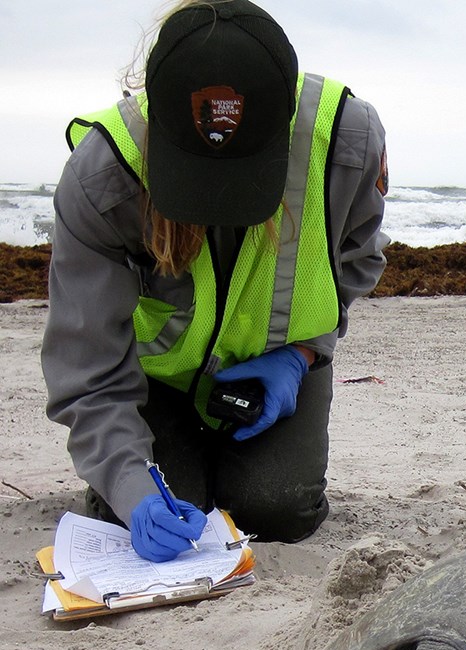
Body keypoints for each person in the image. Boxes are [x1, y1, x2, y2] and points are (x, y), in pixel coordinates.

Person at [41, 0, 388, 561]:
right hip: (152, 385)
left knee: (277, 509)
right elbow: (86, 368)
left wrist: (300, 355)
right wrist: (131, 489)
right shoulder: (104, 172)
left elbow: (358, 260)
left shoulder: (345, 137)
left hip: (273, 374)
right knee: (154, 505)